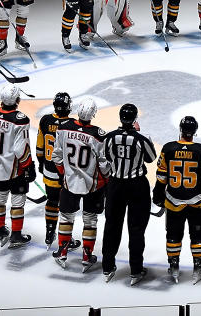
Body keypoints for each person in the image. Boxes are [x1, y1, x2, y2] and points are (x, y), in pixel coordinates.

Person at [153, 116, 201, 284]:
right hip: (198, 202)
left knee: (173, 235)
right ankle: (198, 267)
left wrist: (158, 194)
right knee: (198, 236)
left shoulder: (168, 148)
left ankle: (174, 266)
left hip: (173, 201)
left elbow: (161, 176)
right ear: (195, 131)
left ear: (181, 129)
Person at [52, 97, 109, 271]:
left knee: (66, 217)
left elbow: (56, 156)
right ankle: (86, 254)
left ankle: (62, 250)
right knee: (90, 220)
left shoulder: (63, 128)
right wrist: (106, 180)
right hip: (93, 185)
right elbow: (104, 164)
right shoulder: (98, 134)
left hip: (70, 182)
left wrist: (65, 174)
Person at [102, 103, 157, 285]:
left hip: (115, 184)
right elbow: (151, 158)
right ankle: (135, 270)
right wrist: (138, 133)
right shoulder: (141, 139)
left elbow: (108, 157)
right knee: (136, 229)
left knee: (112, 226)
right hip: (136, 186)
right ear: (134, 120)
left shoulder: (109, 137)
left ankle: (107, 266)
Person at [0, 84, 34, 249]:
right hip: (15, 167)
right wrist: (29, 165)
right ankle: (16, 234)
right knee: (17, 201)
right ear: (18, 100)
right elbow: (21, 148)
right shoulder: (20, 119)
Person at [37, 91, 72, 247]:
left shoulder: (45, 120)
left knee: (51, 201)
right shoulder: (72, 124)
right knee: (65, 205)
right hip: (65, 173)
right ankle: (65, 239)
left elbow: (39, 148)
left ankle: (49, 232)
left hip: (49, 170)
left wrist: (40, 163)